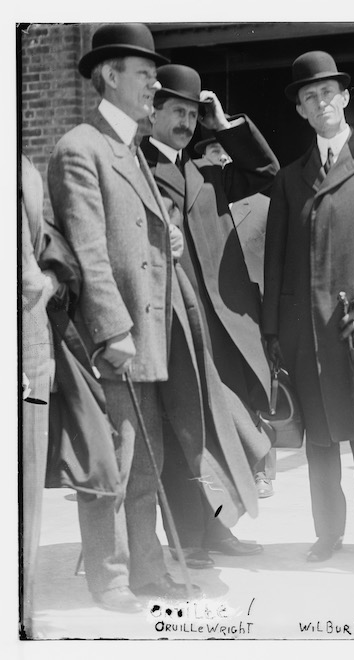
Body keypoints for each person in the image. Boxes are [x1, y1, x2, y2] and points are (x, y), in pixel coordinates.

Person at [46, 23, 198, 612]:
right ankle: (109, 577)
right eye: (144, 75)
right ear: (109, 76)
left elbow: (139, 237)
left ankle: (148, 569)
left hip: (149, 335)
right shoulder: (80, 148)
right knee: (111, 463)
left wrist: (173, 242)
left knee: (147, 462)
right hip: (114, 338)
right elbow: (88, 251)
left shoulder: (132, 150)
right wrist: (113, 331)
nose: (153, 86)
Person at [262, 51, 354, 562]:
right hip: (308, 331)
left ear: (345, 98)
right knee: (322, 442)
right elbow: (277, 259)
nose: (321, 101)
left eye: (328, 92)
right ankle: (328, 533)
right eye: (310, 96)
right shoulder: (289, 179)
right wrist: (273, 331)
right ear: (302, 111)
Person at [141, 64, 278, 567]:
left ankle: (217, 529)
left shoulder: (207, 170)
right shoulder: (136, 170)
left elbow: (266, 173)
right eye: (175, 110)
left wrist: (224, 126)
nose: (184, 121)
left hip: (220, 325)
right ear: (152, 112)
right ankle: (187, 539)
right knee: (182, 432)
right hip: (172, 323)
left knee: (224, 432)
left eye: (190, 113)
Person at [195, 133, 284, 497]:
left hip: (253, 311)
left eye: (227, 152)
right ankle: (236, 469)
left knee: (258, 391)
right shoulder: (197, 204)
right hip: (217, 313)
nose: (223, 159)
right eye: (215, 151)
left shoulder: (260, 202)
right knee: (228, 393)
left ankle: (263, 470)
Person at [20, 154, 59, 632]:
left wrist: (43, 282)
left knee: (25, 485)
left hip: (28, 340)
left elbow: (36, 256)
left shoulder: (24, 170)